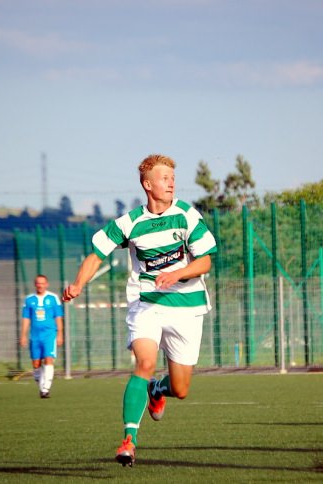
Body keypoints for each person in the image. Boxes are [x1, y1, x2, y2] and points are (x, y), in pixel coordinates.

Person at [62, 154, 217, 468]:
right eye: (164, 178)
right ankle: (128, 440)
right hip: (146, 303)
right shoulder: (129, 222)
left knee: (181, 388)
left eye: (173, 178)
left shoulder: (186, 214)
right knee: (144, 362)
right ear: (148, 184)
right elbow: (97, 254)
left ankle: (158, 389)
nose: (171, 183)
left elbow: (205, 261)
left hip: (187, 307)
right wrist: (78, 284)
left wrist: (177, 274)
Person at [20, 274, 64, 399]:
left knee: (48, 359)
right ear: (35, 284)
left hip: (50, 334)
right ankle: (41, 384)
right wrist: (23, 335)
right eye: (38, 283)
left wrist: (60, 334)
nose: (40, 285)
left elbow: (59, 317)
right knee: (36, 364)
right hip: (35, 336)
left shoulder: (53, 298)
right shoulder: (29, 300)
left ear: (47, 284)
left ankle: (45, 389)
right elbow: (26, 319)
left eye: (42, 283)